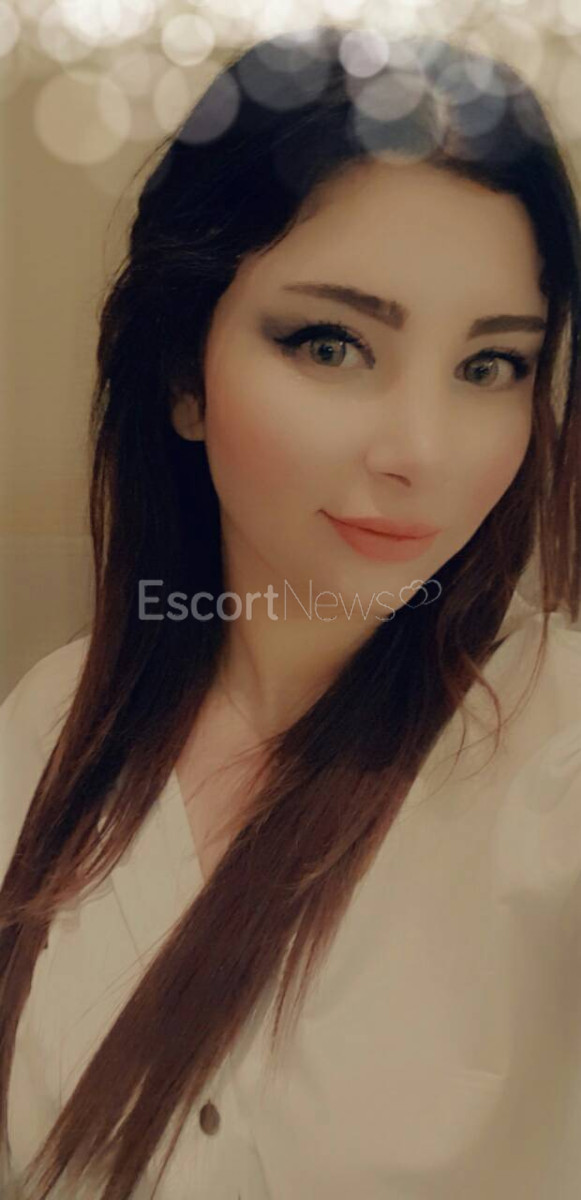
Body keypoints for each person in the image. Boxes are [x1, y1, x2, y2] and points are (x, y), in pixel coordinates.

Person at [1, 23, 581, 1200]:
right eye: (332, 344)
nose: (421, 451)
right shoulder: (45, 725)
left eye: (489, 366)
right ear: (184, 378)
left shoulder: (550, 759)